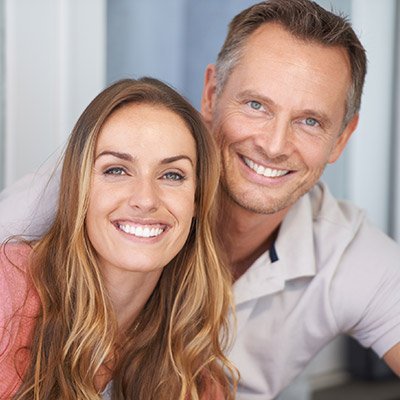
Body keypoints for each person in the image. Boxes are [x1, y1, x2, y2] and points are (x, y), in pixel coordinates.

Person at [1, 1, 400, 399]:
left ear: (343, 138)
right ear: (211, 94)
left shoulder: (349, 253)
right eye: (256, 105)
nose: (275, 145)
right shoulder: (56, 219)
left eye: (309, 121)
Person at [0, 78, 237, 399]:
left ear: (196, 200)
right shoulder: (9, 287)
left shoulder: (199, 381)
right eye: (116, 170)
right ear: (79, 188)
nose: (145, 199)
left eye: (172, 175)